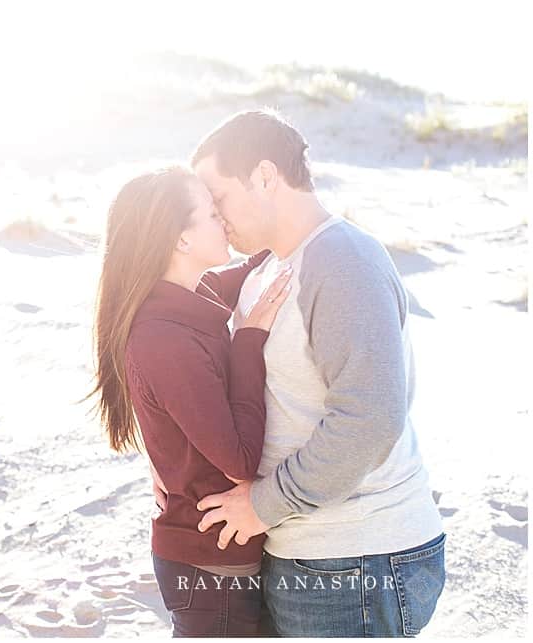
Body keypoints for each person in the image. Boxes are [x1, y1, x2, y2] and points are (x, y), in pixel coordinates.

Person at [184, 109, 446, 637]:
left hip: (358, 563)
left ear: (264, 176)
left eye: (220, 197)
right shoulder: (272, 265)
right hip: (312, 553)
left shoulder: (342, 261)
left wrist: (261, 506)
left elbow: (368, 421)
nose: (216, 215)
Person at [89, 166, 293, 636]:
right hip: (208, 567)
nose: (222, 218)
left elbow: (248, 268)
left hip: (219, 558)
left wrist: (286, 220)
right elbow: (240, 462)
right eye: (209, 212)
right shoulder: (164, 338)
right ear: (180, 239)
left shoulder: (190, 296)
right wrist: (248, 339)